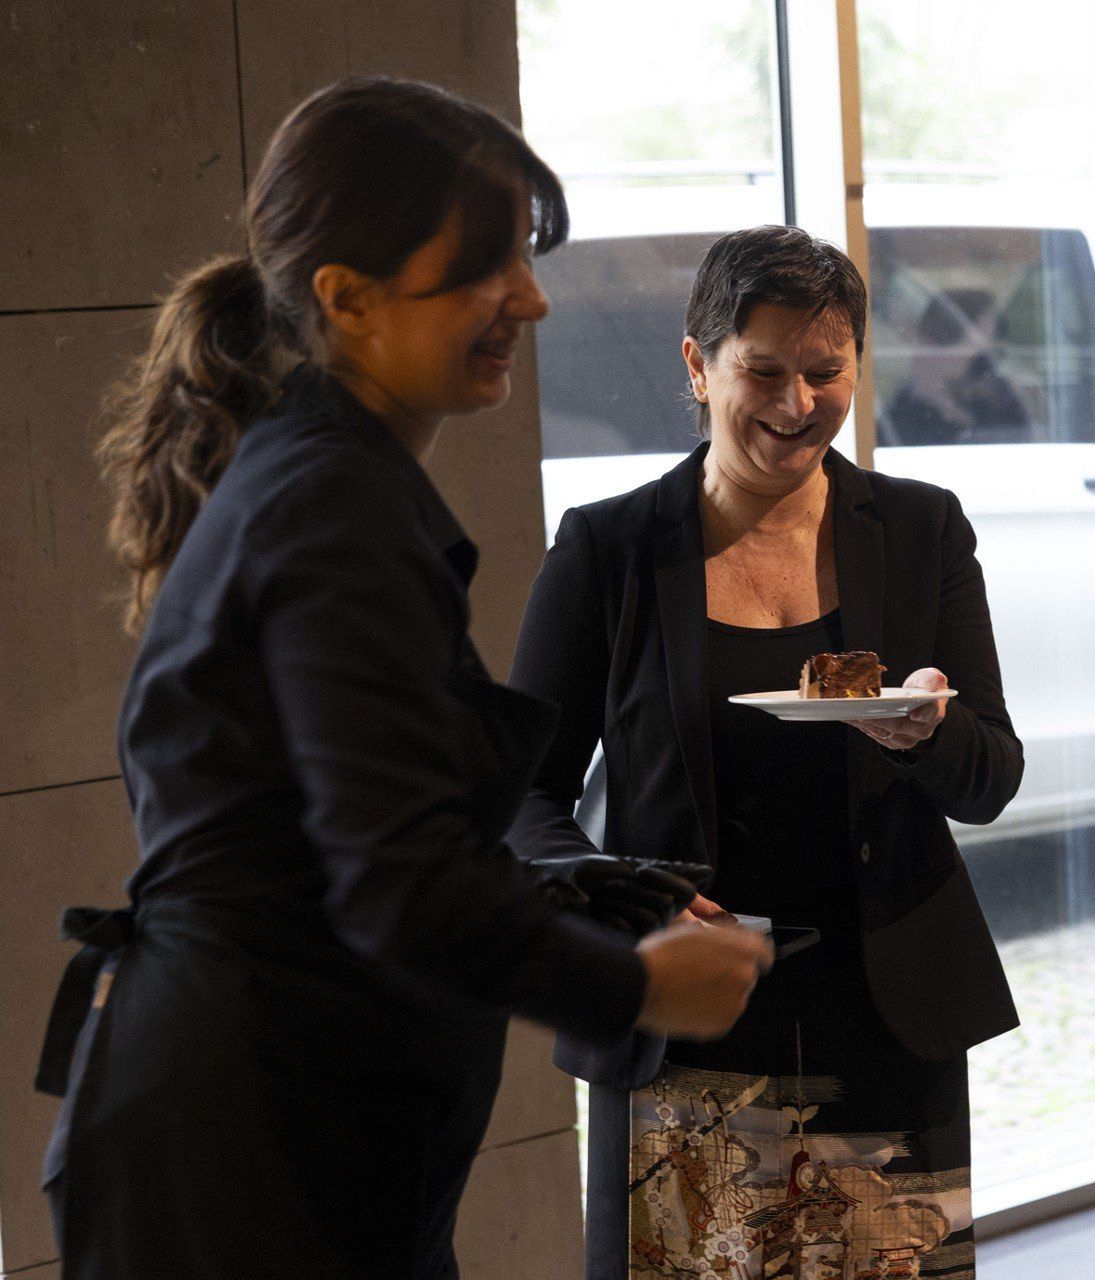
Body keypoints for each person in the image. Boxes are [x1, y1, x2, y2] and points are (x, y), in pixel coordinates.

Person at [41, 77, 771, 1280]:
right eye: (486, 269)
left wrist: (580, 895)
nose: (529, 300)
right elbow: (393, 880)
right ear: (348, 299)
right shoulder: (330, 503)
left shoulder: (328, 480)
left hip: (284, 1125)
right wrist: (631, 985)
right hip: (247, 1150)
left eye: (524, 260)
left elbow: (344, 837)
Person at [508, 224, 1022, 1280]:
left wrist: (929, 734)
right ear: (698, 366)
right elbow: (519, 803)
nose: (799, 406)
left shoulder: (921, 531)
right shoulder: (608, 550)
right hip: (692, 1020)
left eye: (827, 373)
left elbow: (992, 774)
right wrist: (629, 896)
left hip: (884, 1016)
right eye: (768, 372)